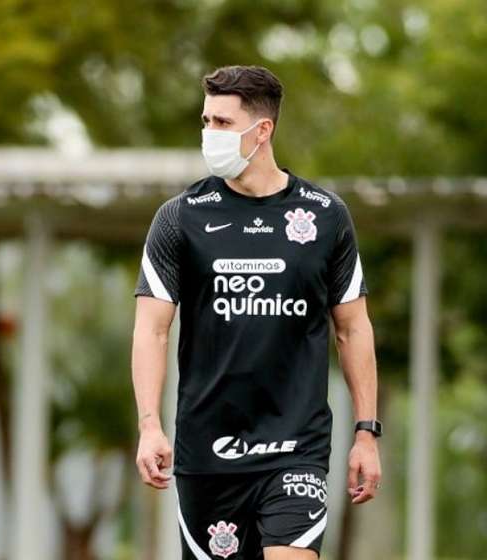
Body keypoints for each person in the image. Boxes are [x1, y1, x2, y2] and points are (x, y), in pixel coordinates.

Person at [131, 64, 382, 560]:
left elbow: (353, 329)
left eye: (222, 124)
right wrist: (149, 425)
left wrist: (366, 433)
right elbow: (151, 331)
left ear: (262, 130)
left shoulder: (326, 215)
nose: (209, 135)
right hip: (207, 452)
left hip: (297, 448)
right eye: (205, 122)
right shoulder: (179, 217)